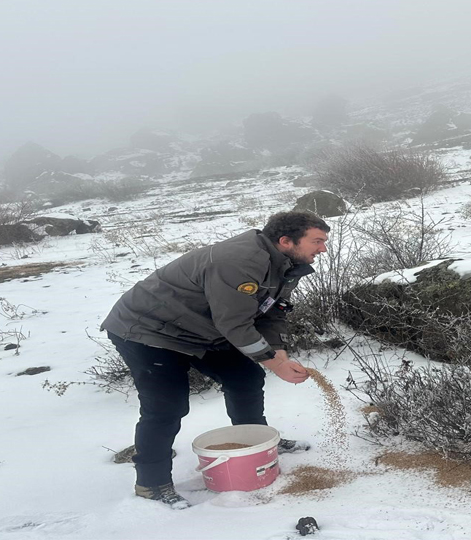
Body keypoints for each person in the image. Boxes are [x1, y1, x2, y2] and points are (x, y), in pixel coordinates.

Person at [101, 211, 329, 508]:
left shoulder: (287, 265)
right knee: (166, 406)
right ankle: (151, 483)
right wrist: (276, 365)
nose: (323, 248)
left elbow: (272, 312)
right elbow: (234, 324)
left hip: (202, 329)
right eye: (317, 241)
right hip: (149, 331)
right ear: (286, 241)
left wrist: (279, 355)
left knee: (245, 379)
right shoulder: (239, 262)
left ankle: (254, 442)